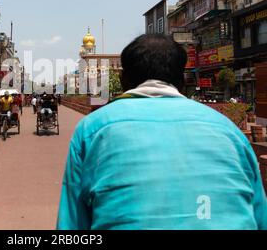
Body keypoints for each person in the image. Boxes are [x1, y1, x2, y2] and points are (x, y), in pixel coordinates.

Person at [57, 34, 267, 230]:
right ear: (182, 82)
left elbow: (72, 225)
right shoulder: (230, 131)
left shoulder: (92, 128)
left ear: (124, 80)